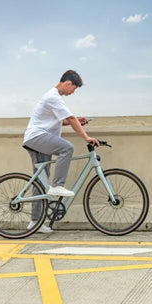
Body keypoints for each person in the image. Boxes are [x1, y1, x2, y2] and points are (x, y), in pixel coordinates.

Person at [23, 70, 99, 233]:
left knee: (41, 182)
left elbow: (65, 121)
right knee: (67, 147)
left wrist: (77, 121)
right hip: (37, 138)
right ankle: (58, 185)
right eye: (74, 88)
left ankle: (35, 222)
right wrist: (86, 137)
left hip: (39, 139)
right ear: (67, 83)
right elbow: (70, 119)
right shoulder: (53, 97)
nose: (73, 92)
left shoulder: (53, 97)